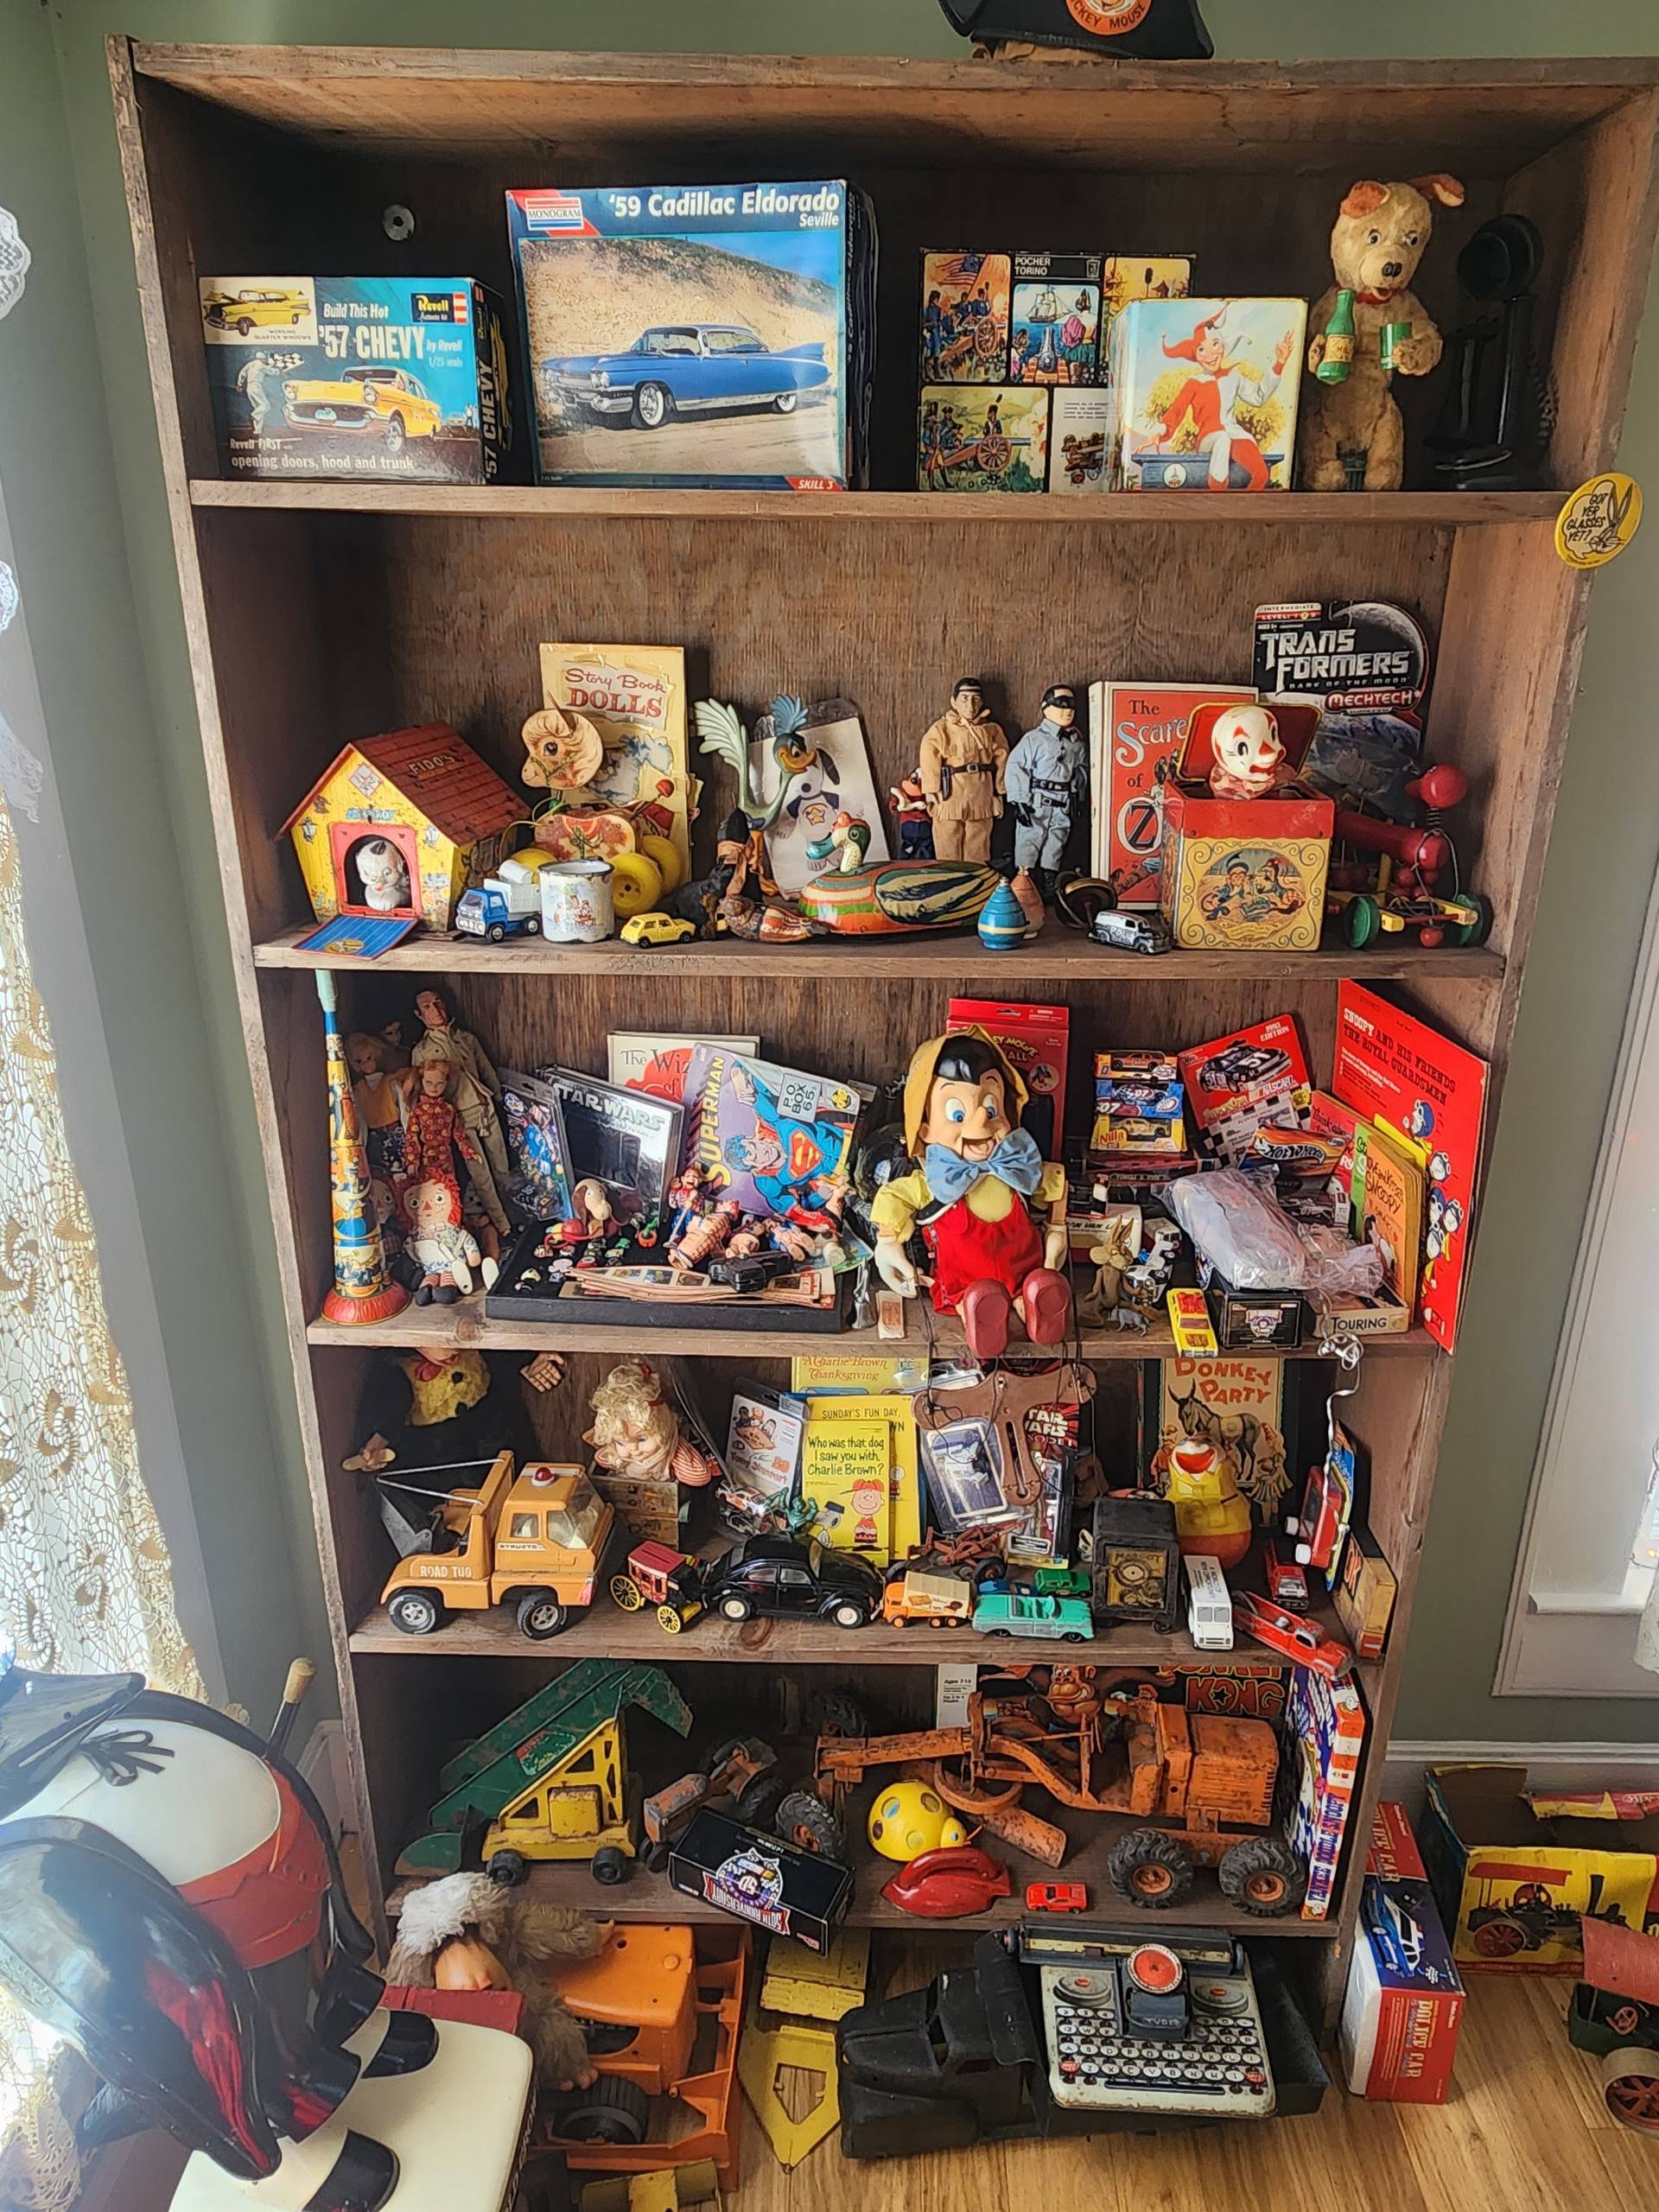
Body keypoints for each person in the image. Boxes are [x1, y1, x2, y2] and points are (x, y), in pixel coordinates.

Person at [1142, 308, 1295, 492]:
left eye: (1215, 344)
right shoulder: (1194, 383)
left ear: (1222, 346)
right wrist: (1161, 430)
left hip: (1235, 435)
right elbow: (1177, 410)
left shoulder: (1234, 376)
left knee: (1261, 474)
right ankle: (1217, 493)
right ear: (1195, 356)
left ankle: (1239, 511)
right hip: (1209, 439)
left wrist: (1279, 363)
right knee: (1222, 439)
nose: (1210, 355)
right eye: (1201, 350)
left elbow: (1258, 397)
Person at [1004, 683, 1087, 892]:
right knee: (1029, 840)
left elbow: (1082, 769)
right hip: (1037, 801)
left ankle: (1050, 884)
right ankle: (1024, 882)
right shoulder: (1034, 739)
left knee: (1056, 841)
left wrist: (1079, 794)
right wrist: (1019, 800)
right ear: (1046, 707)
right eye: (1061, 704)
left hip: (1063, 802)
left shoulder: (1076, 743)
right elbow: (1016, 766)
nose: (1067, 709)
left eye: (1071, 704)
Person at [918, 677, 1007, 864]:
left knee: (978, 846)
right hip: (951, 795)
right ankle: (950, 882)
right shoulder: (942, 728)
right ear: (954, 702)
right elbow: (929, 754)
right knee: (947, 843)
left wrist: (1000, 791)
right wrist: (930, 789)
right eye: (965, 698)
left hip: (980, 795)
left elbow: (1002, 757)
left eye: (975, 699)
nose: (970, 705)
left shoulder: (991, 730)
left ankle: (976, 884)